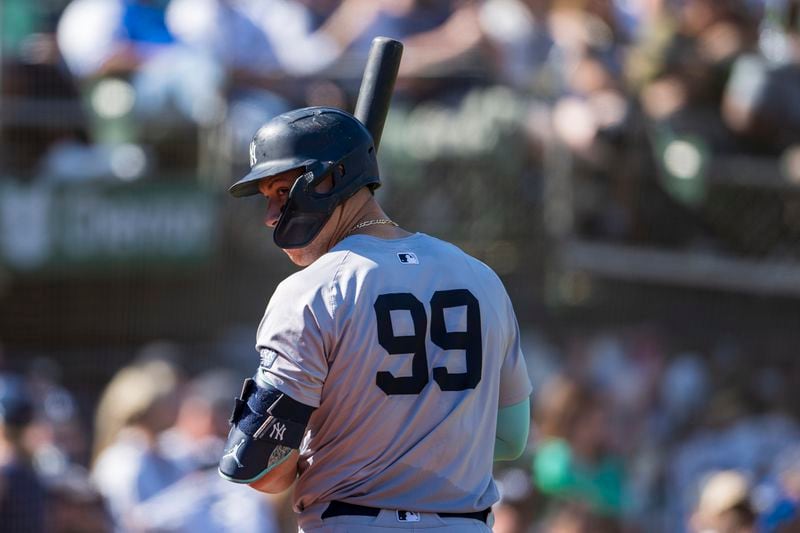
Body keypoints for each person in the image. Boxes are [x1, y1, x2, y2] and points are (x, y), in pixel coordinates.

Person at [217, 106, 532, 532]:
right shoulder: (481, 277)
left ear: (329, 179)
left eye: (280, 192)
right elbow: (511, 438)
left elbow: (255, 465)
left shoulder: (311, 291)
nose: (271, 216)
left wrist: (347, 445)